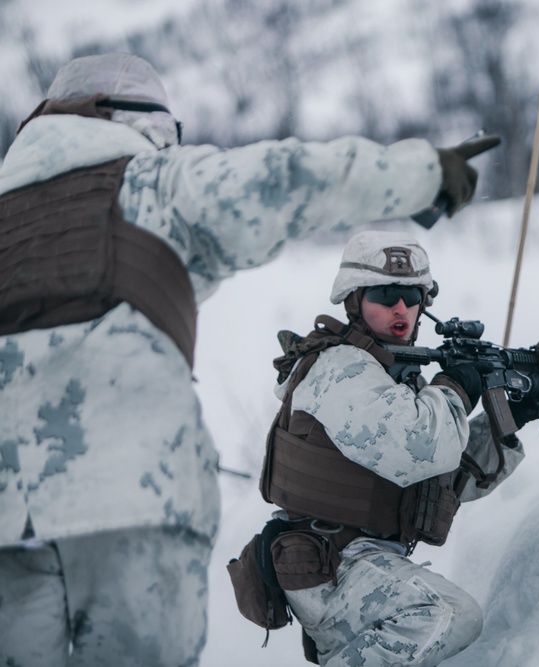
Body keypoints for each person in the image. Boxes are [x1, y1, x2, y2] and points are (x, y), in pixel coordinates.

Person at [0, 52, 486, 666]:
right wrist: (422, 173)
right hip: (128, 499)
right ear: (146, 126)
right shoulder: (151, 183)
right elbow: (288, 179)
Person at [252, 230, 539, 666]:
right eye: (386, 294)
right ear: (354, 300)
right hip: (331, 563)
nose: (401, 308)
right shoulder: (341, 370)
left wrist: (515, 416)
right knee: (448, 616)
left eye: (412, 296)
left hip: (350, 561)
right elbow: (421, 447)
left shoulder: (391, 377)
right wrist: (457, 386)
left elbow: (441, 480)